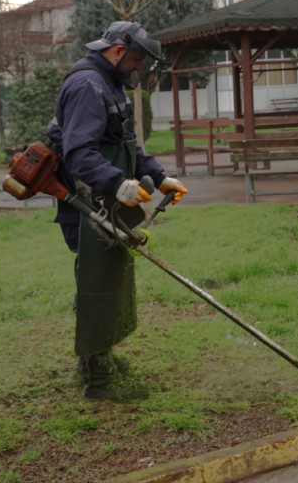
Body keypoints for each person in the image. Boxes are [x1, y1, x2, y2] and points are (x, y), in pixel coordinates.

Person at [46, 21, 187, 400]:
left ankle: (99, 355)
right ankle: (96, 375)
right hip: (85, 200)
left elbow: (126, 143)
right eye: (138, 59)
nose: (140, 68)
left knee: (109, 276)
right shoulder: (87, 86)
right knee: (93, 280)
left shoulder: (109, 85)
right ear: (118, 50)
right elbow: (78, 154)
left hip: (106, 199)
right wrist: (116, 183)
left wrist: (157, 177)